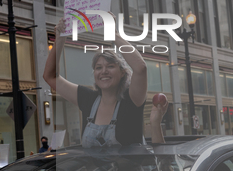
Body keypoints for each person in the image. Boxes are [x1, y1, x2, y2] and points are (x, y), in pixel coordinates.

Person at [43, 16, 167, 147]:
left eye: (110, 66)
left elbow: (140, 68)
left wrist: (113, 33)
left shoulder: (132, 99)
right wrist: (60, 38)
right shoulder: (88, 99)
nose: (104, 71)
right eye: (98, 67)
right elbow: (50, 76)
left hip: (131, 168)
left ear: (122, 72)